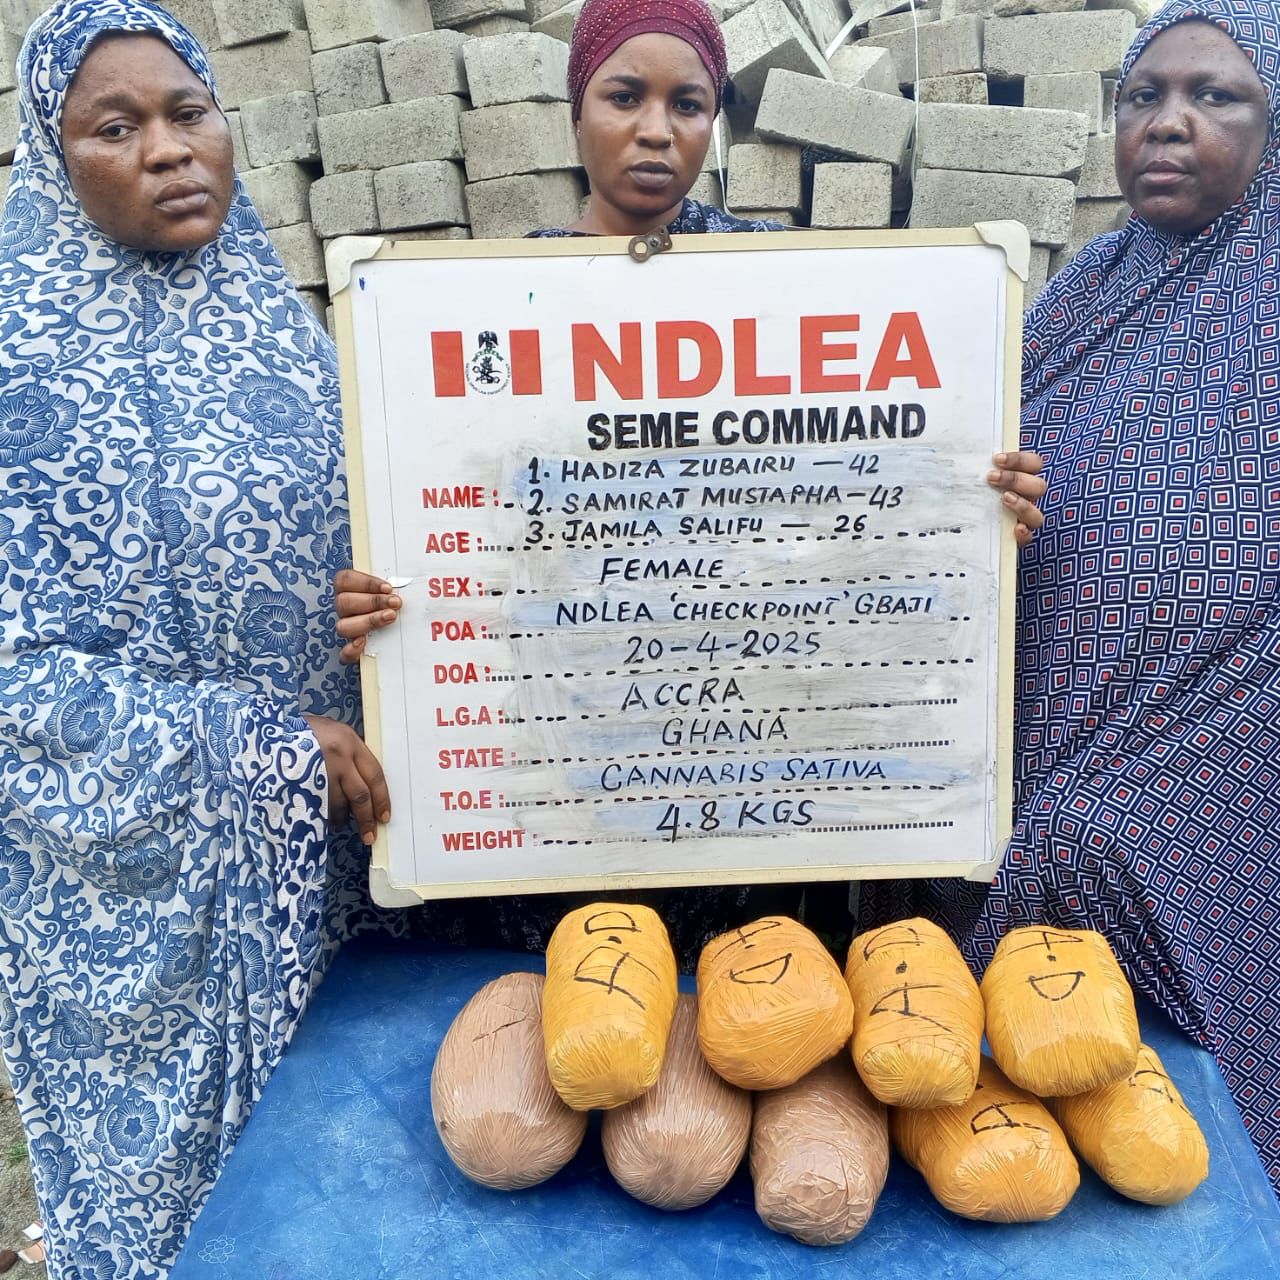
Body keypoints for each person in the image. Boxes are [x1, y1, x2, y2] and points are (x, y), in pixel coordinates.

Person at [336, 0, 1046, 969]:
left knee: (756, 1005)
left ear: (714, 122)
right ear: (576, 110)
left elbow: (859, 496)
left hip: (759, 768)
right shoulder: (481, 300)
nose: (656, 130)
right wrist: (391, 606)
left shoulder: (785, 283)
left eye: (688, 104)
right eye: (623, 97)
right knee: (593, 1005)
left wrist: (972, 504)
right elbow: (462, 526)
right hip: (574, 766)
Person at [0, 1, 393, 1275]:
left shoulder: (286, 336)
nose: (169, 148)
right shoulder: (15, 371)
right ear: (53, 160)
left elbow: (362, 548)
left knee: (360, 1196)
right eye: (114, 128)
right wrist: (256, 748)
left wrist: (379, 604)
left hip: (339, 872)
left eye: (188, 113)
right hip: (144, 905)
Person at [862, 0, 1280, 1195]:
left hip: (1224, 742)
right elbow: (963, 475)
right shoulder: (1078, 293)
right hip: (1046, 715)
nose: (1167, 123)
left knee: (1088, 856)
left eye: (1214, 97)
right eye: (1141, 97)